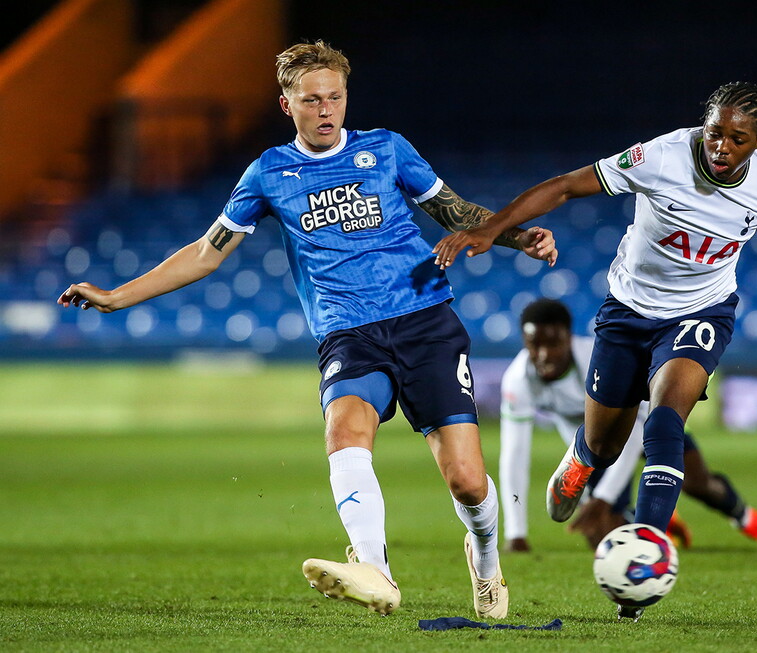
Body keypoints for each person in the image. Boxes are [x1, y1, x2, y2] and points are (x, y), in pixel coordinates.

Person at [57, 40, 558, 619]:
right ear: (286, 104)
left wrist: (517, 236)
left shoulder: (387, 149)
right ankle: (375, 569)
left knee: (468, 482)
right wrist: (117, 297)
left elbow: (455, 211)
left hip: (425, 321)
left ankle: (485, 556)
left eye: (335, 98)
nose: (326, 110)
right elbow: (206, 252)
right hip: (349, 333)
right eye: (312, 100)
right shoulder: (269, 173)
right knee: (344, 431)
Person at [433, 82, 757, 615]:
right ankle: (582, 459)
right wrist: (493, 228)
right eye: (714, 134)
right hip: (629, 311)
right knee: (605, 444)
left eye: (737, 139)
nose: (721, 148)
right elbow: (567, 186)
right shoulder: (661, 157)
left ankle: (646, 551)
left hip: (702, 311)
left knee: (665, 421)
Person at [500, 298, 757, 553]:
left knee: (697, 483)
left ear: (568, 338)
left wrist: (603, 498)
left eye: (553, 343)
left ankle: (746, 518)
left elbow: (635, 434)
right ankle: (657, 521)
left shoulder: (597, 359)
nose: (544, 354)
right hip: (594, 447)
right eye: (534, 345)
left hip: (648, 419)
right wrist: (516, 534)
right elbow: (514, 456)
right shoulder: (518, 380)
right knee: (599, 532)